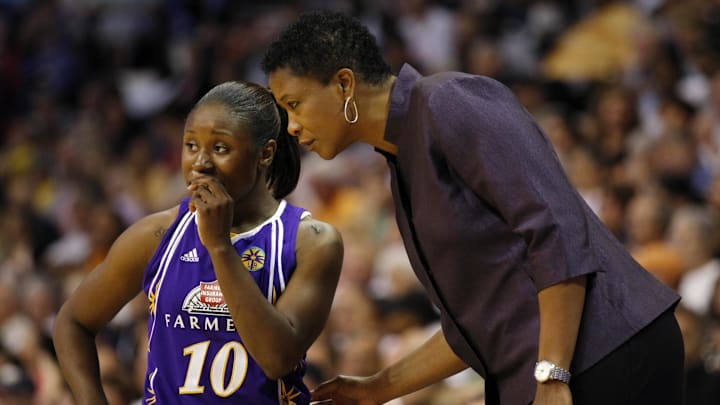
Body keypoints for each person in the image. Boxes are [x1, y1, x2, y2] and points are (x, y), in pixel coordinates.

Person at [261, 10, 684, 405]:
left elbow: (555, 229)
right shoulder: (402, 160)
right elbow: (476, 324)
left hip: (605, 351)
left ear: (344, 85)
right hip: (557, 368)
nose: (292, 127)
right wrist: (379, 388)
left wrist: (553, 372)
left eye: (294, 104)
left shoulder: (448, 100)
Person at [52, 81, 344, 404]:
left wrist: (219, 246)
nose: (200, 163)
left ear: (266, 153)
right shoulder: (155, 235)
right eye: (191, 145)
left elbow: (276, 358)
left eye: (220, 148)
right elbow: (72, 322)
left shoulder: (311, 241)